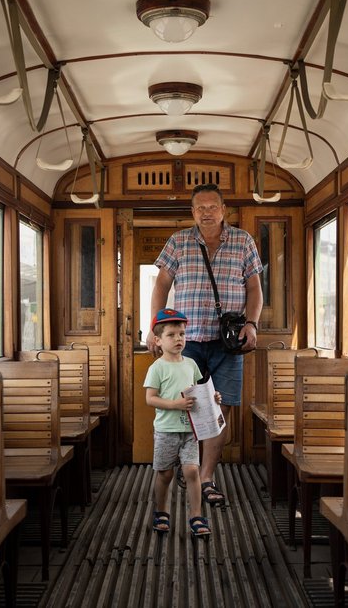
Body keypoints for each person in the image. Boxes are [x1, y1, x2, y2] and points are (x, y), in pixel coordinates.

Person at [146, 183, 263, 507]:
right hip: (187, 342)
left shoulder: (243, 241)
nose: (207, 213)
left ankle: (207, 476)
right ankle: (189, 467)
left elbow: (255, 289)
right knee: (185, 408)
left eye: (213, 207)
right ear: (192, 212)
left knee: (219, 410)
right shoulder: (179, 242)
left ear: (224, 209)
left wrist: (251, 324)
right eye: (200, 208)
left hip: (229, 341)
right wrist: (154, 328)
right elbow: (162, 285)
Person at [144, 308, 217, 537]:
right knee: (165, 474)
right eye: (172, 335)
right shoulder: (157, 367)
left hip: (189, 430)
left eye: (182, 334)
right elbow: (150, 398)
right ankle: (161, 510)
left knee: (192, 471)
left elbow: (198, 391)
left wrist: (212, 397)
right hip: (166, 431)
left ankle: (196, 515)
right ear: (158, 340)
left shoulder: (191, 364)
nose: (178, 339)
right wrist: (175, 404)